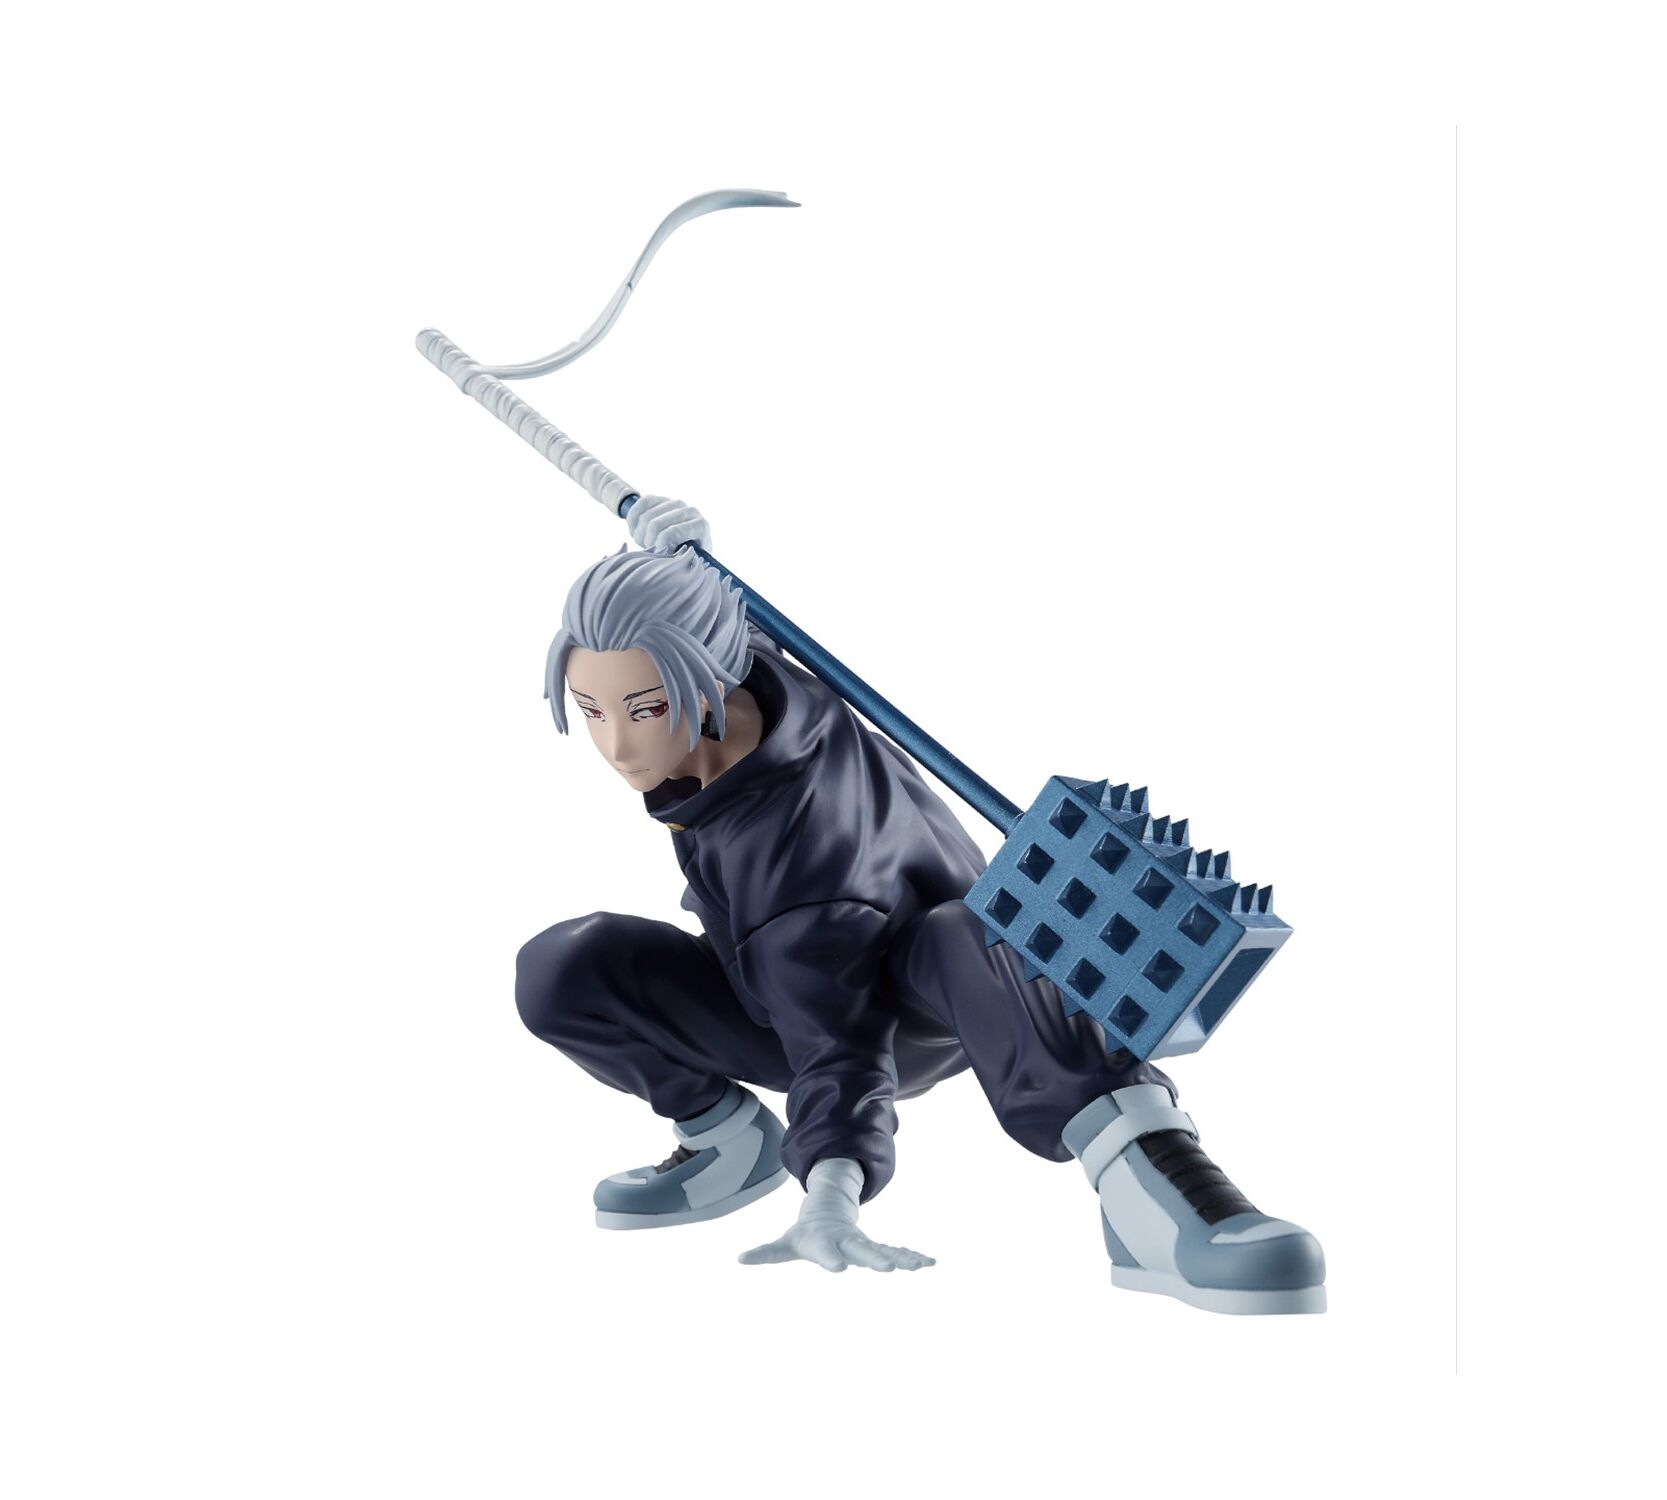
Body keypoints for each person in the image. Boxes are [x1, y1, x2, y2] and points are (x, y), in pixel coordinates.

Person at [514, 502, 1326, 1313]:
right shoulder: (756, 678)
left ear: (700, 682)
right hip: (781, 982)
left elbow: (838, 1049)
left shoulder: (799, 868)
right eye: (592, 711)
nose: (617, 747)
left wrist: (830, 1190)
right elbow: (718, 628)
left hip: (931, 1007)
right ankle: (727, 1144)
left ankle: (1154, 1197)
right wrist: (689, 558)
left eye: (645, 710)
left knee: (975, 933)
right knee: (566, 968)